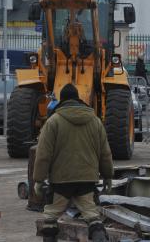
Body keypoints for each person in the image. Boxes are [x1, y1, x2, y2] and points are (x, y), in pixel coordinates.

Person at [33, 83, 113, 242]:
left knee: (51, 217)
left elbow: (43, 155)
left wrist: (38, 180)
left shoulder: (53, 122)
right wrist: (108, 176)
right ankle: (99, 237)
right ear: (78, 99)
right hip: (87, 180)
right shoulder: (95, 121)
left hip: (61, 180)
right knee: (92, 215)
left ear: (61, 100)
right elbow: (105, 153)